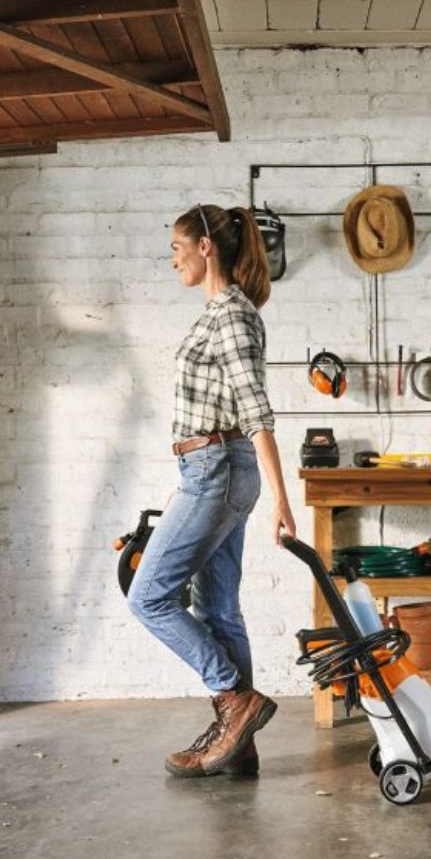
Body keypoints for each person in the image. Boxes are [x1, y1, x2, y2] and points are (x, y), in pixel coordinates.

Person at [127, 204, 297, 778]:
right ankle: (238, 746)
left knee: (147, 596)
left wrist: (282, 500)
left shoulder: (229, 314)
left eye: (177, 247)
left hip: (217, 468)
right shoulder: (227, 313)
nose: (171, 258)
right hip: (216, 467)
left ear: (205, 246)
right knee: (219, 608)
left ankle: (234, 698)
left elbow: (257, 413)